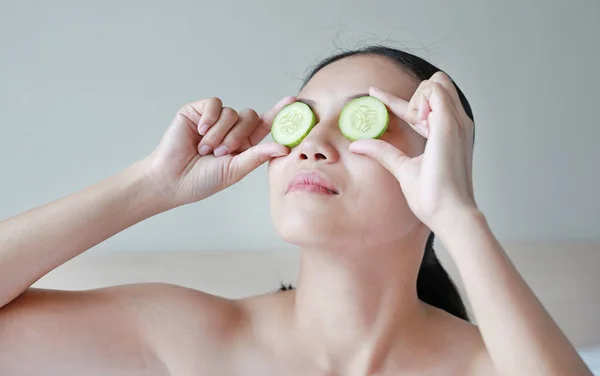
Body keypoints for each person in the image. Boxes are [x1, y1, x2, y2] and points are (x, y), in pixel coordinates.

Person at [0, 45, 591, 376]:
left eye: (366, 120)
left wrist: (457, 213)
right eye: (303, 118)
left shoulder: (491, 364)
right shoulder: (190, 337)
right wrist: (153, 184)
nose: (313, 142)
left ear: (438, 164)